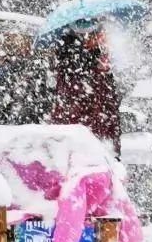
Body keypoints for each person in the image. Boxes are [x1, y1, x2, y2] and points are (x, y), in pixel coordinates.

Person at [50, 29, 122, 157]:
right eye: (101, 38)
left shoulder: (95, 71)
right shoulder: (85, 68)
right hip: (84, 135)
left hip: (83, 134)